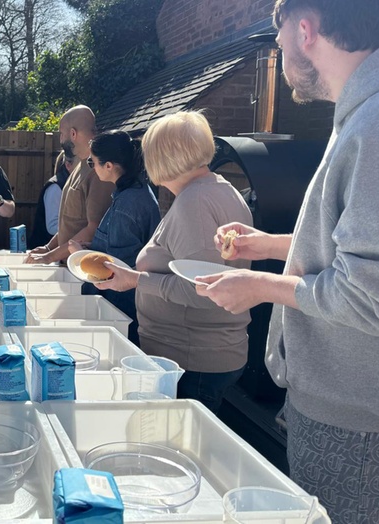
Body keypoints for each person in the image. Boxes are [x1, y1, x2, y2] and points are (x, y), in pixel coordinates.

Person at [196, 1, 379, 521]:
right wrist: (266, 245)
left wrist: (258, 287)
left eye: (279, 39)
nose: (281, 53)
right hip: (345, 410)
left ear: (305, 29)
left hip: (364, 429)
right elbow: (349, 248)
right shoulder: (370, 113)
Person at [94, 112, 253, 412]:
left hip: (192, 361)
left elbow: (204, 290)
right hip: (201, 356)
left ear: (161, 157)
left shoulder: (195, 202)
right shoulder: (221, 189)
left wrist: (135, 280)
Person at [68, 130, 161, 345]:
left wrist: (80, 254)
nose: (92, 167)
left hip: (118, 312)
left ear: (108, 166)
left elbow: (116, 270)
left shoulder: (127, 205)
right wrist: (93, 247)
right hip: (128, 309)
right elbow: (119, 247)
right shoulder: (137, 191)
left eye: (93, 162)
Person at [26, 105, 114, 264]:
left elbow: (93, 229)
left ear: (73, 133)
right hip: (68, 265)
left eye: (61, 134)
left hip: (82, 269)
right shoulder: (80, 166)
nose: (60, 140)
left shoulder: (98, 171)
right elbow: (70, 222)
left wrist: (49, 257)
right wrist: (48, 248)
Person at [29, 150, 74, 248]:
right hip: (44, 252)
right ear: (68, 165)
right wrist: (79, 229)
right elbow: (52, 227)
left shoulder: (69, 184)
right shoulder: (55, 187)